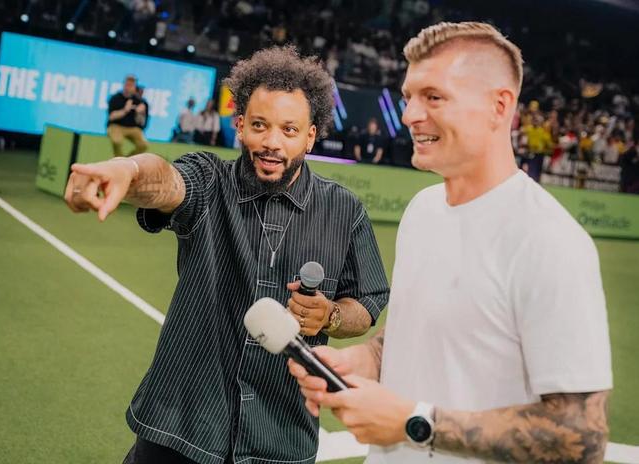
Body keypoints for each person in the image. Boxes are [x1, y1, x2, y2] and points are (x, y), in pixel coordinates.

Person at [290, 21, 612, 463]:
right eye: (409, 97)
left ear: (499, 106)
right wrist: (364, 359)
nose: (409, 115)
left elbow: (582, 436)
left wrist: (416, 422)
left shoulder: (549, 240)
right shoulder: (422, 210)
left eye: (434, 97)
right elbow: (417, 332)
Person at [64, 46, 389, 464]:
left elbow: (366, 304)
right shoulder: (210, 180)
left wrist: (331, 316)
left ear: (310, 136)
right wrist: (127, 171)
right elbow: (166, 181)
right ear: (240, 125)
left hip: (279, 438)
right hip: (180, 424)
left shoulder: (344, 210)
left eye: (289, 130)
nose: (272, 142)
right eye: (259, 125)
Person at [107, 75, 148, 156]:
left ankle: (128, 160)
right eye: (127, 85)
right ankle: (119, 160)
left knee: (143, 145)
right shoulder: (115, 98)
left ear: (135, 87)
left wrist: (140, 113)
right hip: (116, 126)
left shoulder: (140, 101)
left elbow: (141, 123)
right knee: (117, 141)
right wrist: (125, 110)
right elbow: (111, 117)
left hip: (132, 128)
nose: (128, 87)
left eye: (131, 85)